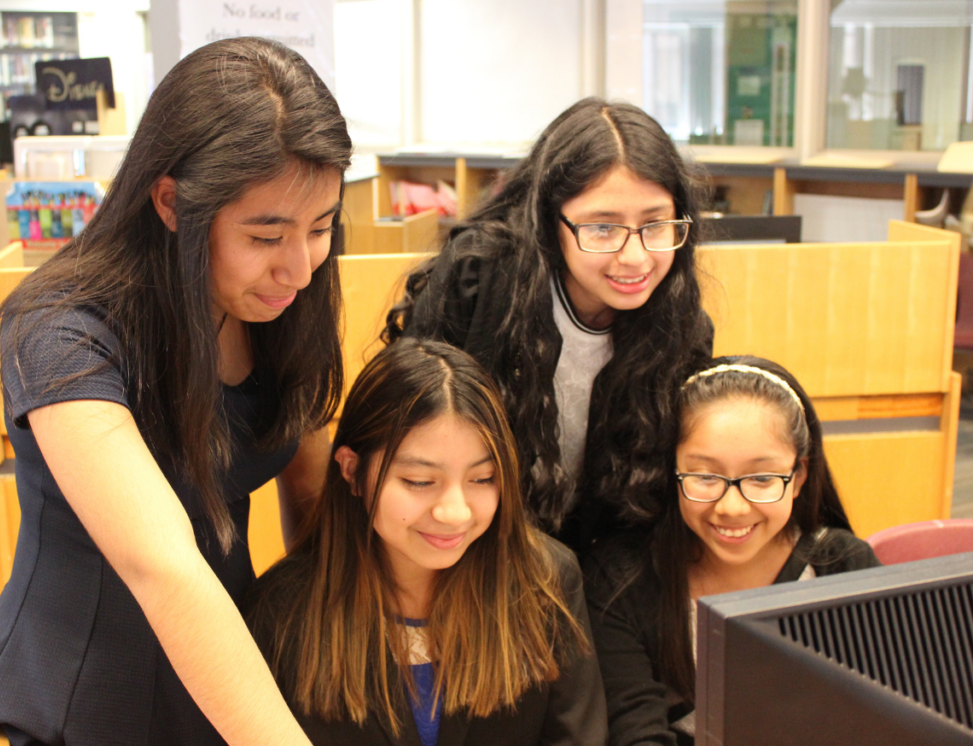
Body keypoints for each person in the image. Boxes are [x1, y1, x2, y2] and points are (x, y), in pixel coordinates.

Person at [0, 38, 351, 746]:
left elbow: (311, 495)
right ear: (172, 202)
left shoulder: (278, 304)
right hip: (83, 696)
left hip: (222, 675)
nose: (299, 267)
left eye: (321, 227)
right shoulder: (61, 328)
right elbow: (162, 564)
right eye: (266, 235)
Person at [384, 98, 713, 554]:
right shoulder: (478, 278)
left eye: (655, 225)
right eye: (603, 228)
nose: (635, 256)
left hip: (605, 555)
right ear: (549, 220)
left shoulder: (681, 321)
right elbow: (410, 434)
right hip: (473, 545)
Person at [243, 338, 608, 746]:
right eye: (420, 482)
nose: (455, 512)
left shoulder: (547, 582)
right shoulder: (281, 614)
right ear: (351, 471)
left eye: (482, 479)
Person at [584, 356, 882, 746]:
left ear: (799, 477)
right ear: (671, 471)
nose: (732, 507)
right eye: (705, 476)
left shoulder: (843, 566)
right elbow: (635, 732)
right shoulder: (620, 580)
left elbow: (895, 714)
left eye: (761, 478)